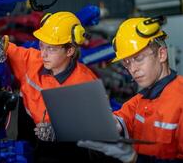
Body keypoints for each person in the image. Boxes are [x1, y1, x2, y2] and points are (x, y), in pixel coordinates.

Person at [0, 11, 98, 162]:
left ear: (69, 50)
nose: (43, 54)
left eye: (51, 49)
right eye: (42, 46)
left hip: (67, 147)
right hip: (30, 132)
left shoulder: (85, 82)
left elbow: (98, 127)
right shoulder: (31, 61)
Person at [77, 16, 183, 163]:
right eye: (127, 62)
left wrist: (133, 158)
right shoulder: (140, 101)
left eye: (139, 58)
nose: (133, 69)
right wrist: (104, 123)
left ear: (161, 54)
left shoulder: (180, 100)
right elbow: (119, 120)